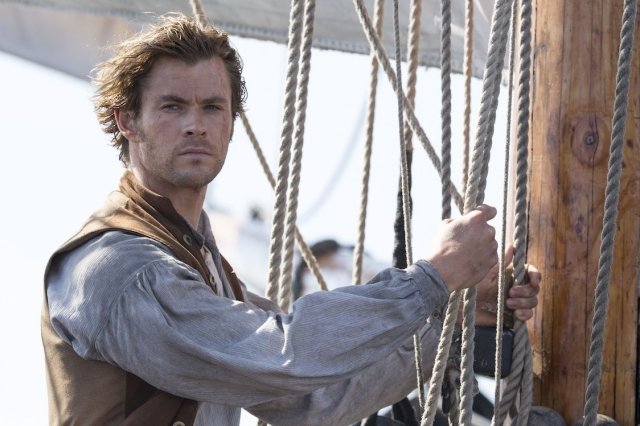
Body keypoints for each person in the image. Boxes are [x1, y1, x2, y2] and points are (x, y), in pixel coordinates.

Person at [41, 14, 540, 426]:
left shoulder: (200, 266)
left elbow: (313, 401)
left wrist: (455, 318)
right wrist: (429, 283)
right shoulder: (119, 268)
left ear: (231, 123)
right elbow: (283, 356)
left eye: (212, 107)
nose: (196, 124)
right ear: (127, 120)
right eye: (172, 107)